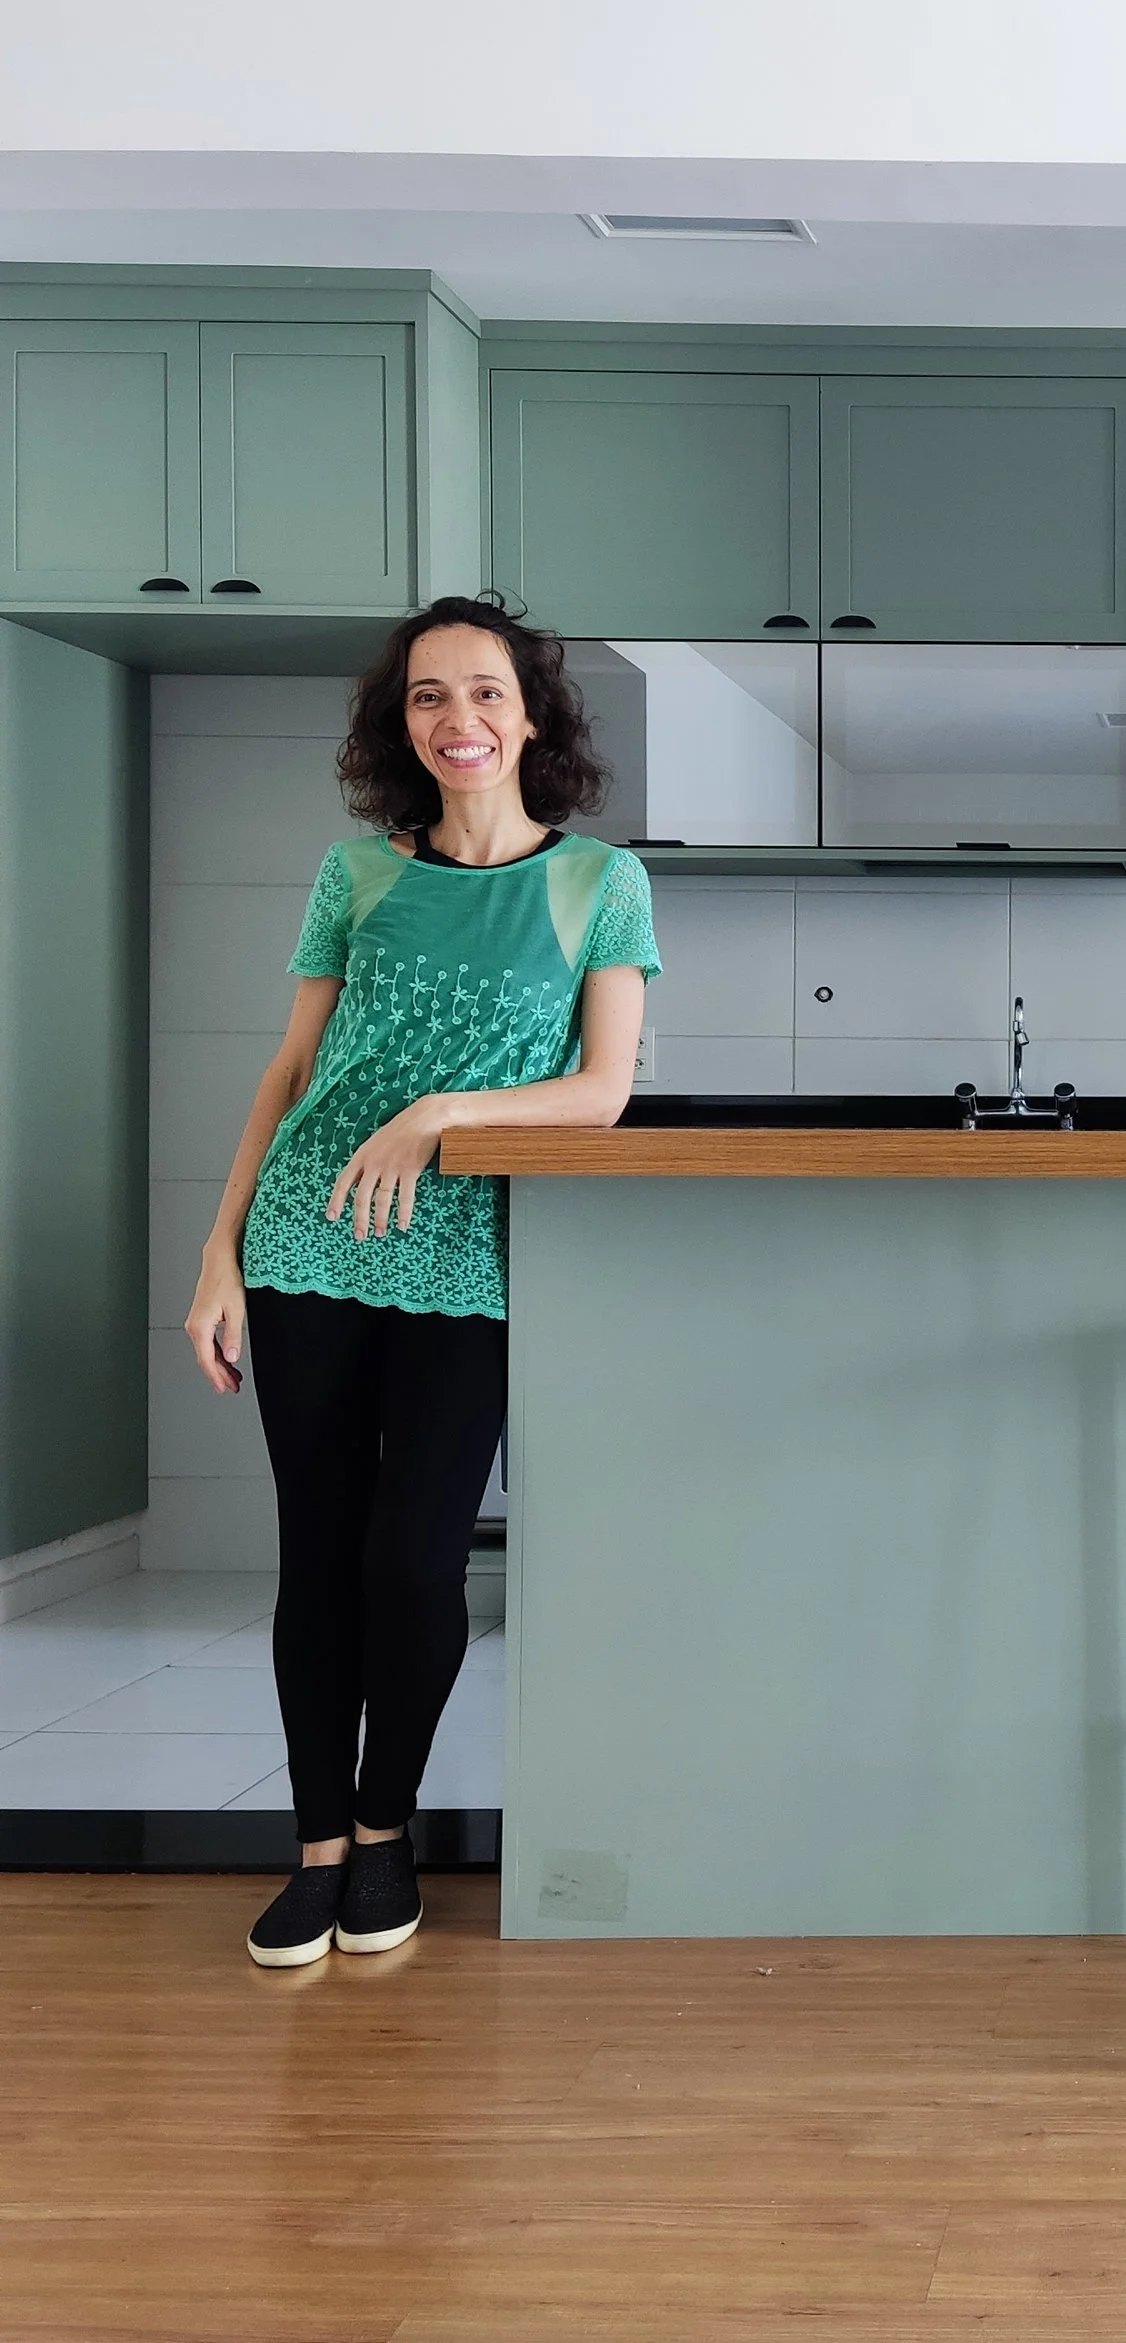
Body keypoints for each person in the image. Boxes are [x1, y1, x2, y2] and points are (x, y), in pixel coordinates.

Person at [185, 596, 660, 1967]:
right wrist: (220, 1253)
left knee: (414, 1559)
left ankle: (388, 1829)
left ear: (532, 715)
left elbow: (604, 1089)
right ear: (403, 727)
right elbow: (289, 1078)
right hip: (307, 1241)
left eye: (486, 693)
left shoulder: (599, 883)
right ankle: (319, 1849)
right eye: (428, 698)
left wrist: (440, 1112)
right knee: (319, 1557)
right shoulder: (358, 876)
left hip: (467, 1254)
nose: (459, 721)